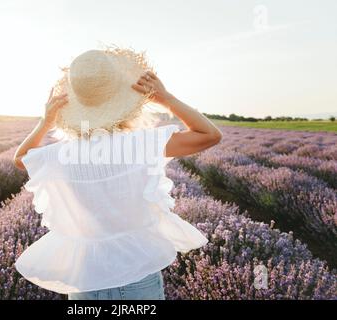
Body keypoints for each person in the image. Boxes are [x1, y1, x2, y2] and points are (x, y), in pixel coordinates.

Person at [13, 46, 222, 300]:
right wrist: (166, 99)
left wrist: (45, 122)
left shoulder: (61, 155)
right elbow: (209, 135)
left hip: (85, 281)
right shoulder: (140, 144)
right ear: (122, 101)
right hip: (136, 276)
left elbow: (21, 159)